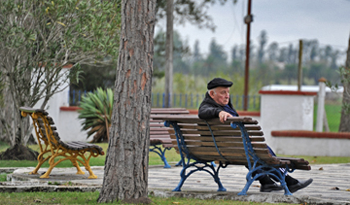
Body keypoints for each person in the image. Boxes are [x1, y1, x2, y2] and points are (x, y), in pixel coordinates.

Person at [198, 77, 313, 193]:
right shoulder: (209, 106)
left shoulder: (221, 105)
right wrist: (219, 112)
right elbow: (203, 112)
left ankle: (266, 183)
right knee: (263, 153)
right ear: (212, 94)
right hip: (234, 148)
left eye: (228, 92)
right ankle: (289, 181)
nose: (227, 95)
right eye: (223, 93)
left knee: (253, 153)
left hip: (230, 148)